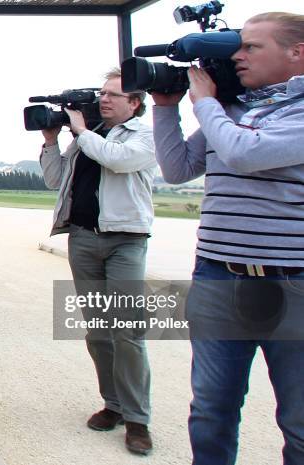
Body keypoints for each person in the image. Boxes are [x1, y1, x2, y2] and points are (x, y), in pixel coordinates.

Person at [152, 12, 304, 465]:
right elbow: (177, 169)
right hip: (220, 277)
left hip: (293, 284)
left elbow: (244, 153)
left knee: (298, 423)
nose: (238, 56)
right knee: (211, 412)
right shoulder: (232, 111)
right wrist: (164, 108)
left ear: (297, 52)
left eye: (251, 47)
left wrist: (204, 103)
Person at [40, 68, 157, 455]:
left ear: (134, 103)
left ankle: (138, 419)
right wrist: (51, 142)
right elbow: (55, 180)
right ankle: (114, 405)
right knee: (97, 331)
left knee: (128, 331)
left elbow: (119, 161)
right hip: (84, 238)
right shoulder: (86, 139)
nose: (104, 99)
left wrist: (80, 132)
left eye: (113, 94)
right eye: (102, 93)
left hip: (125, 241)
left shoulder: (141, 135)